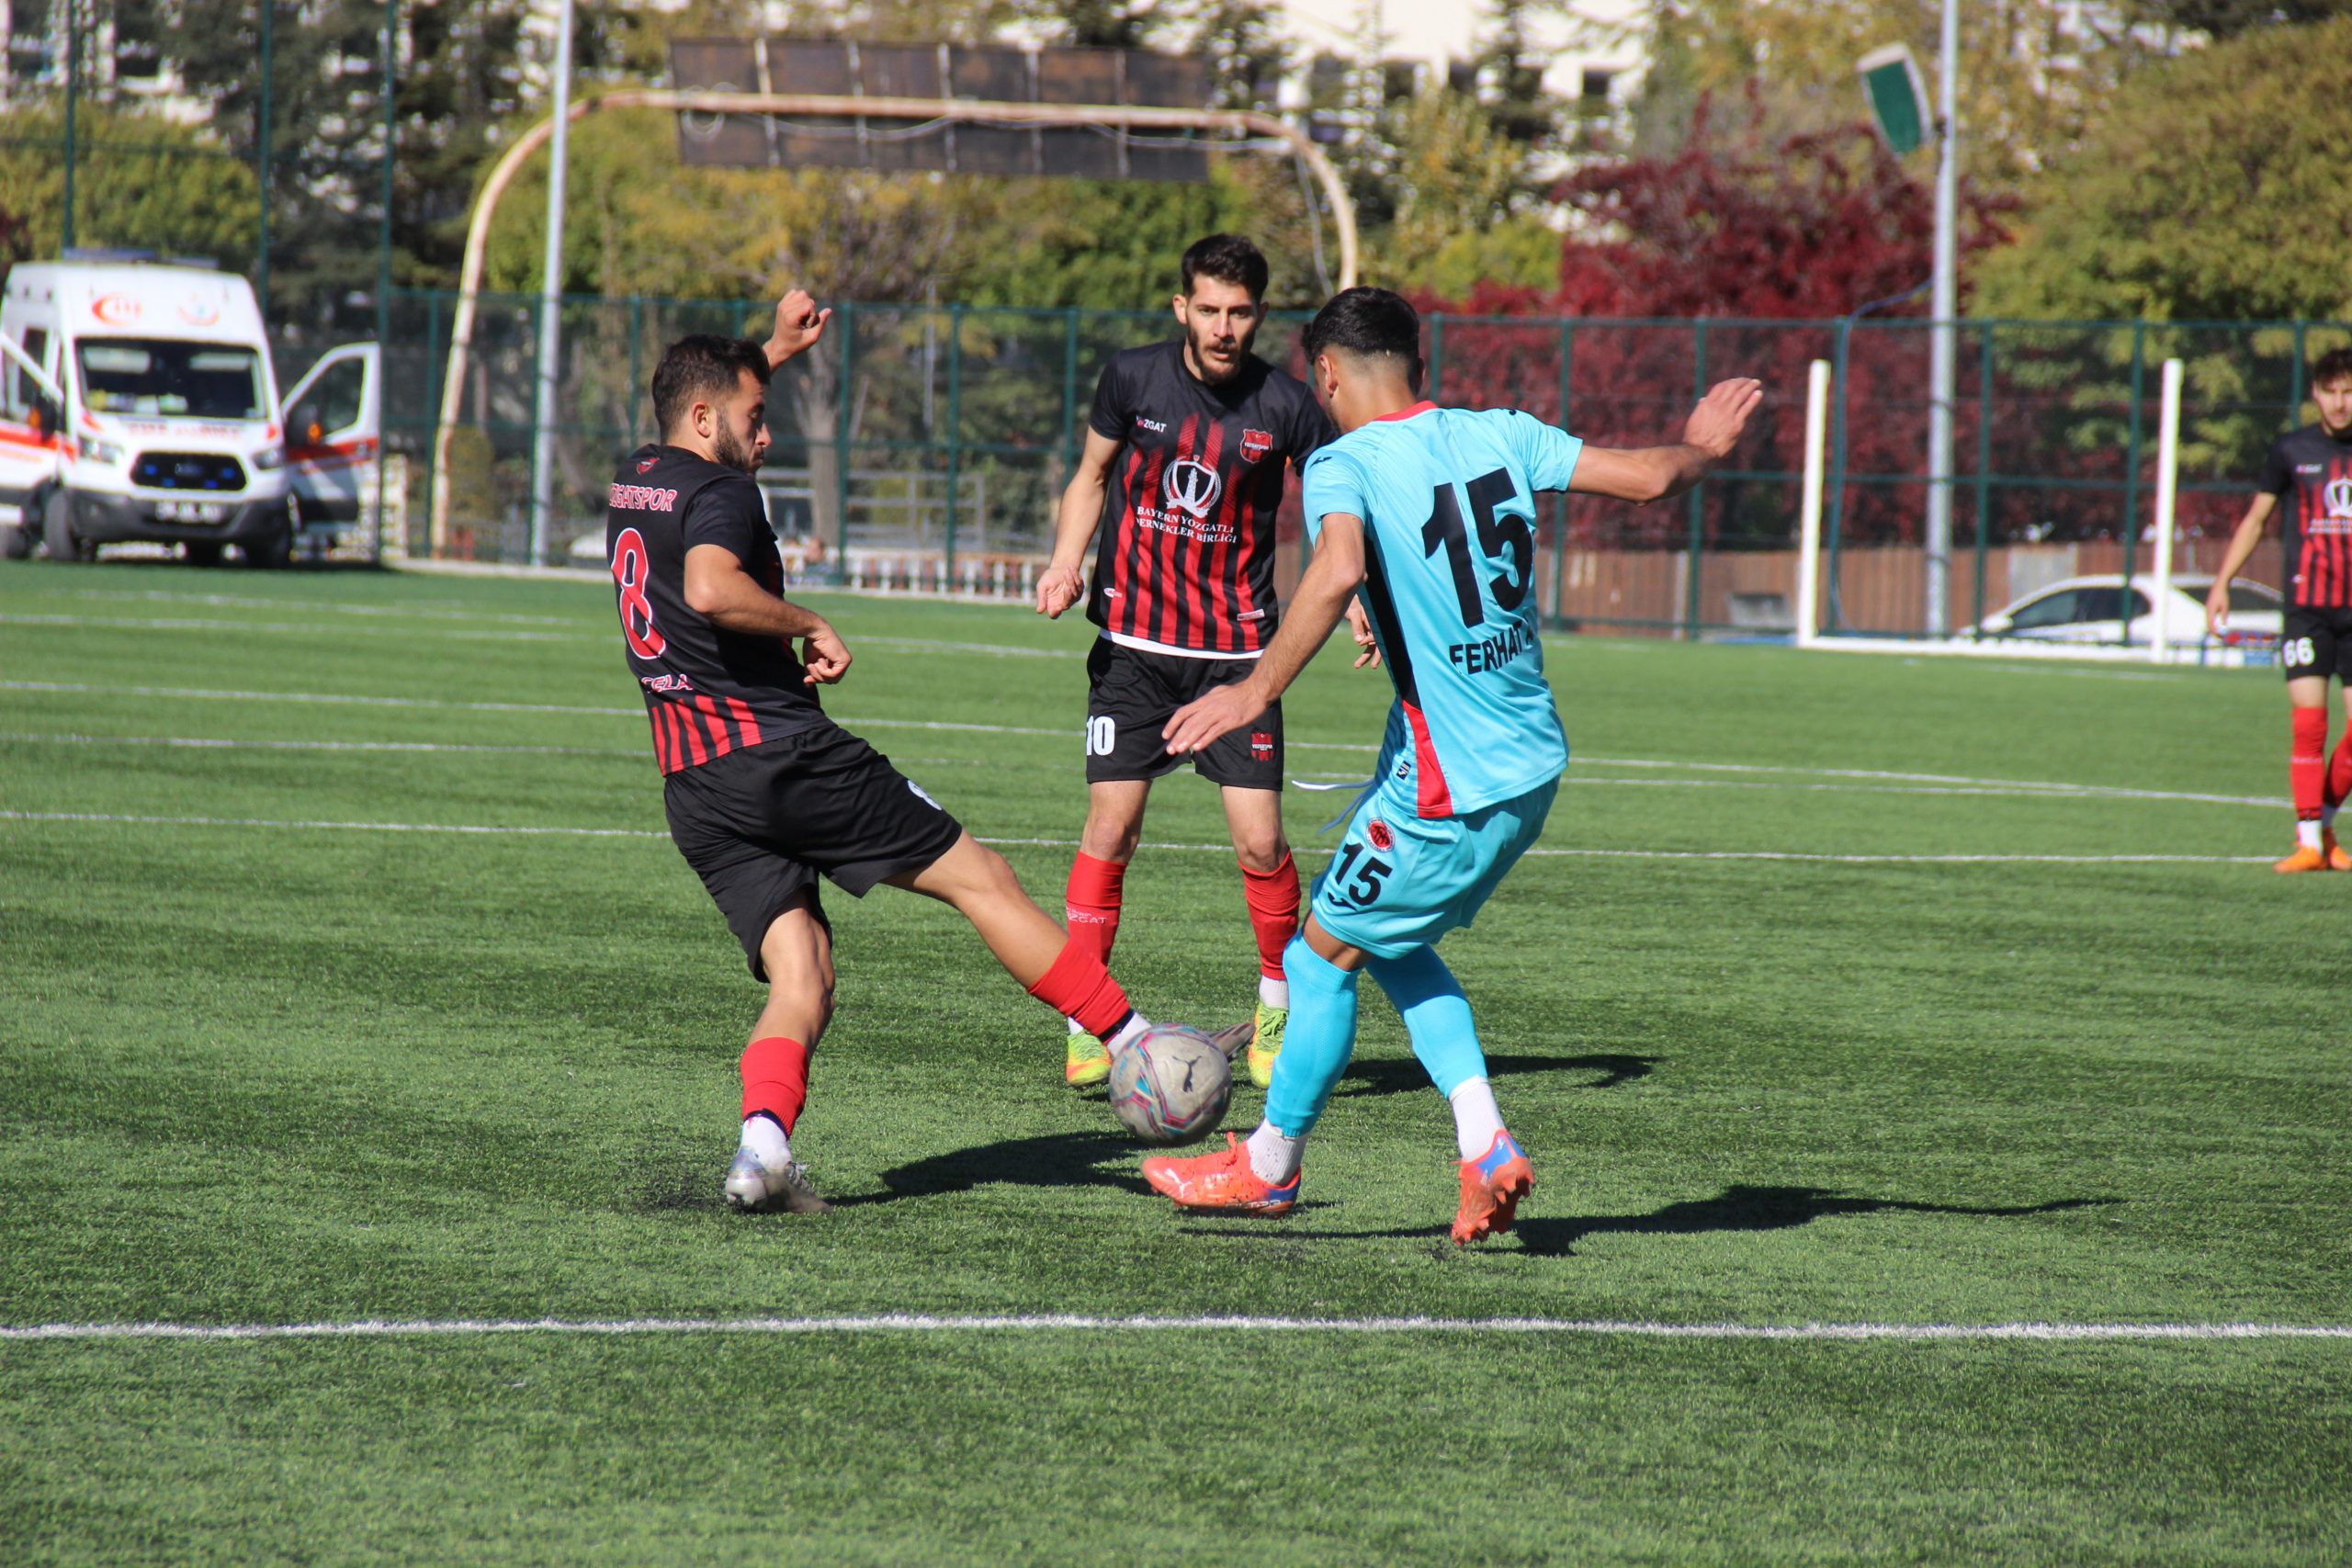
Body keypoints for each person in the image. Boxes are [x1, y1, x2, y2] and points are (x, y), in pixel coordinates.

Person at [1139, 288, 1761, 1243]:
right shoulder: (1500, 433)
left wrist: (1251, 692)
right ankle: (1484, 1146)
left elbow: (1338, 564)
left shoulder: (1344, 462)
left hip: (1450, 780)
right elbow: (1644, 476)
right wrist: (1705, 448)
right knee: (1385, 941)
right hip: (1528, 759)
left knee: (1316, 960)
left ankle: (1269, 1167)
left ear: (1331, 375)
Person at [607, 293, 1152, 1214]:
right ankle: (1137, 1043)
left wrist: (771, 353)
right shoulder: (722, 490)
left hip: (695, 787)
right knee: (983, 878)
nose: (767, 435)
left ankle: (761, 1153)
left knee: (804, 972)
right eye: (755, 417)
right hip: (780, 758)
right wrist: (808, 621)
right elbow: (709, 586)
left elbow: (708, 399)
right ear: (705, 421)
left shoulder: (639, 474)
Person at [1034, 234, 1336, 1092]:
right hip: (1132, 651)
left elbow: (1334, 516)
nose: (1224, 326)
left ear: (1262, 316)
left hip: (1238, 663)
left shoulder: (1288, 405)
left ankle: (1277, 1004)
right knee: (1110, 829)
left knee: (1261, 839)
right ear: (1182, 309)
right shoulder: (1133, 378)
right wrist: (1066, 560)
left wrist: (1352, 599)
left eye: (1240, 312)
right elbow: (1090, 477)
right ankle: (1089, 1020)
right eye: (1208, 308)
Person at [2207, 346, 2352, 873]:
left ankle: (2325, 822)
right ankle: (2311, 843)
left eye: (2349, 391)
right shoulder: (2292, 450)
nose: (2340, 402)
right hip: (2308, 609)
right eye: (2331, 391)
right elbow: (2255, 520)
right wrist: (2223, 581)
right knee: (2309, 725)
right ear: (2315, 393)